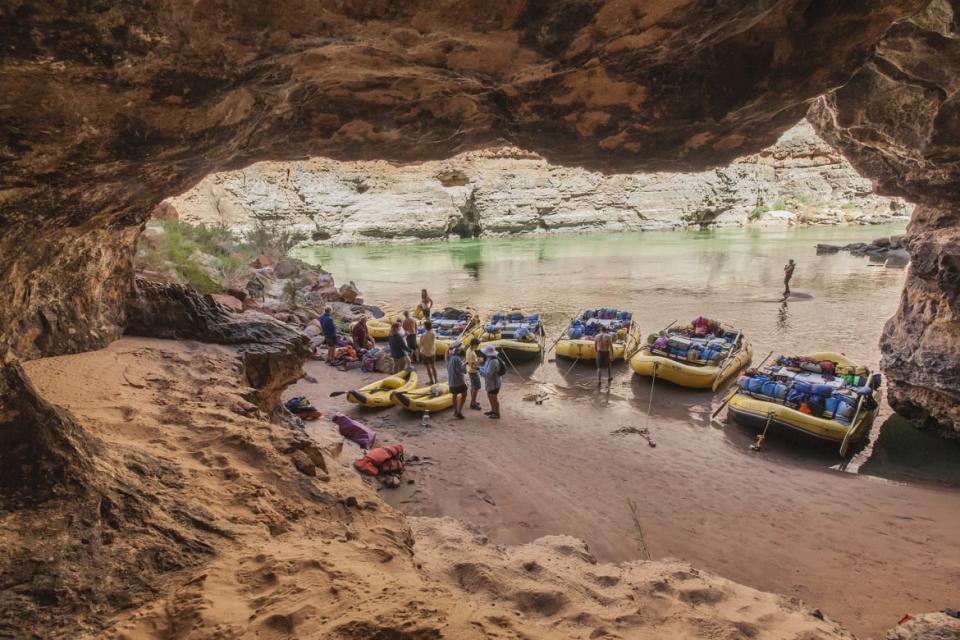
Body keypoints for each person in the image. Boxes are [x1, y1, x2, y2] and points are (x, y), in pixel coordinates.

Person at [478, 344, 502, 419]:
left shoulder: (493, 361)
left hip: (494, 383)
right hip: (491, 382)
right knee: (490, 395)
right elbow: (485, 369)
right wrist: (479, 368)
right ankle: (493, 410)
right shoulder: (489, 359)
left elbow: (488, 373)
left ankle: (497, 413)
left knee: (494, 397)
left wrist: (479, 370)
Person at [446, 346, 467, 419]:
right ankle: (459, 410)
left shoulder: (449, 357)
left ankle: (456, 410)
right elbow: (461, 370)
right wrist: (465, 364)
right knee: (464, 394)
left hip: (451, 379)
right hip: (458, 380)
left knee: (454, 395)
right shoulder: (457, 359)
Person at [465, 337, 483, 411]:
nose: (477, 347)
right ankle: (473, 403)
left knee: (473, 387)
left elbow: (470, 362)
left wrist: (477, 360)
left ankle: (473, 401)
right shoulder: (471, 353)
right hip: (473, 371)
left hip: (470, 370)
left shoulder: (469, 350)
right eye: (477, 345)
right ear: (474, 345)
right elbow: (473, 365)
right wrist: (480, 361)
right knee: (476, 387)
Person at [420, 320, 438, 385]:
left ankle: (431, 381)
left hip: (425, 352)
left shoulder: (423, 335)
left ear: (425, 326)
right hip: (432, 351)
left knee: (428, 368)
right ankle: (436, 380)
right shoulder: (434, 333)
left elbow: (421, 344)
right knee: (433, 366)